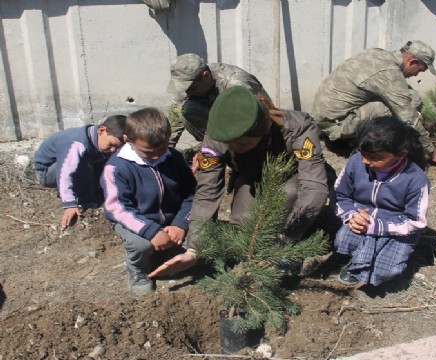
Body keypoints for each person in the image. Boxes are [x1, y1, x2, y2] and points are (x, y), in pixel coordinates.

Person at [147, 86, 330, 278]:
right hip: (251, 174)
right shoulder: (218, 136)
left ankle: (292, 248)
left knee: (288, 195)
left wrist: (287, 237)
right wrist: (194, 250)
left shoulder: (297, 128)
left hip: (293, 176)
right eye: (229, 143)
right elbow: (207, 192)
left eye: (242, 144)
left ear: (264, 129)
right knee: (241, 223)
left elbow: (314, 187)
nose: (232, 147)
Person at [100, 108, 196, 295]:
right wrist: (151, 231)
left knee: (201, 233)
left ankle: (165, 252)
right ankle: (139, 271)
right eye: (148, 152)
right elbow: (118, 208)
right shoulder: (116, 168)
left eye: (162, 149)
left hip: (170, 219)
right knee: (140, 245)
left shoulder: (174, 158)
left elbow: (191, 193)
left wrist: (180, 224)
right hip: (133, 221)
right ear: (128, 140)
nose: (157, 157)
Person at [311, 40, 436, 165]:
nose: (416, 75)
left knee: (409, 95)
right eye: (419, 70)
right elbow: (409, 117)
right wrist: (432, 153)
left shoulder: (376, 53)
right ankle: (363, 145)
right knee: (403, 105)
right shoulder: (390, 74)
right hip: (337, 126)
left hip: (324, 119)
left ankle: (352, 138)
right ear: (412, 61)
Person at [333, 116, 430, 287]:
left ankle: (404, 252)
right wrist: (352, 216)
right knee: (343, 240)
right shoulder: (356, 162)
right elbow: (341, 195)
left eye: (374, 157)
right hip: (363, 219)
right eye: (363, 154)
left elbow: (415, 221)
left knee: (385, 271)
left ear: (400, 154)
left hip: (396, 228)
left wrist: (376, 226)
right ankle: (358, 263)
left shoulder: (415, 179)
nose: (364, 161)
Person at [33, 115, 126, 229]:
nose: (113, 149)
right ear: (101, 131)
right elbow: (65, 173)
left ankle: (97, 192)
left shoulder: (98, 139)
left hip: (75, 165)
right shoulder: (76, 144)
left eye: (116, 147)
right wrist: (69, 203)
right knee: (83, 160)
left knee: (110, 159)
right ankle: (85, 200)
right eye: (112, 144)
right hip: (48, 172)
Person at [167, 53, 272, 148]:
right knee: (188, 109)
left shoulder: (234, 84)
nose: (188, 93)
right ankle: (214, 147)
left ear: (206, 76)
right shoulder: (190, 84)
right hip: (223, 120)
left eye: (192, 88)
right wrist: (166, 151)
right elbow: (175, 116)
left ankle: (234, 150)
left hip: (254, 127)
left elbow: (255, 119)